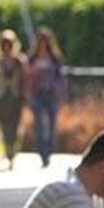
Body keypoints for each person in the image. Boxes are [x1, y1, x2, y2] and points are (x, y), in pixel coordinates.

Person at [26, 27, 64, 168]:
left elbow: (60, 78)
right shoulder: (32, 58)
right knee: (39, 126)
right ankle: (42, 153)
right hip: (37, 94)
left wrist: (61, 93)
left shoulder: (54, 58)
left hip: (51, 94)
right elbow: (27, 77)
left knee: (52, 125)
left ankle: (49, 152)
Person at [0, 29, 27, 168]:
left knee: (15, 126)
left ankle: (12, 152)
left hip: (16, 97)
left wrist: (24, 95)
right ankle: (5, 151)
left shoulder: (19, 61)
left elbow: (25, 79)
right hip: (1, 97)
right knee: (3, 125)